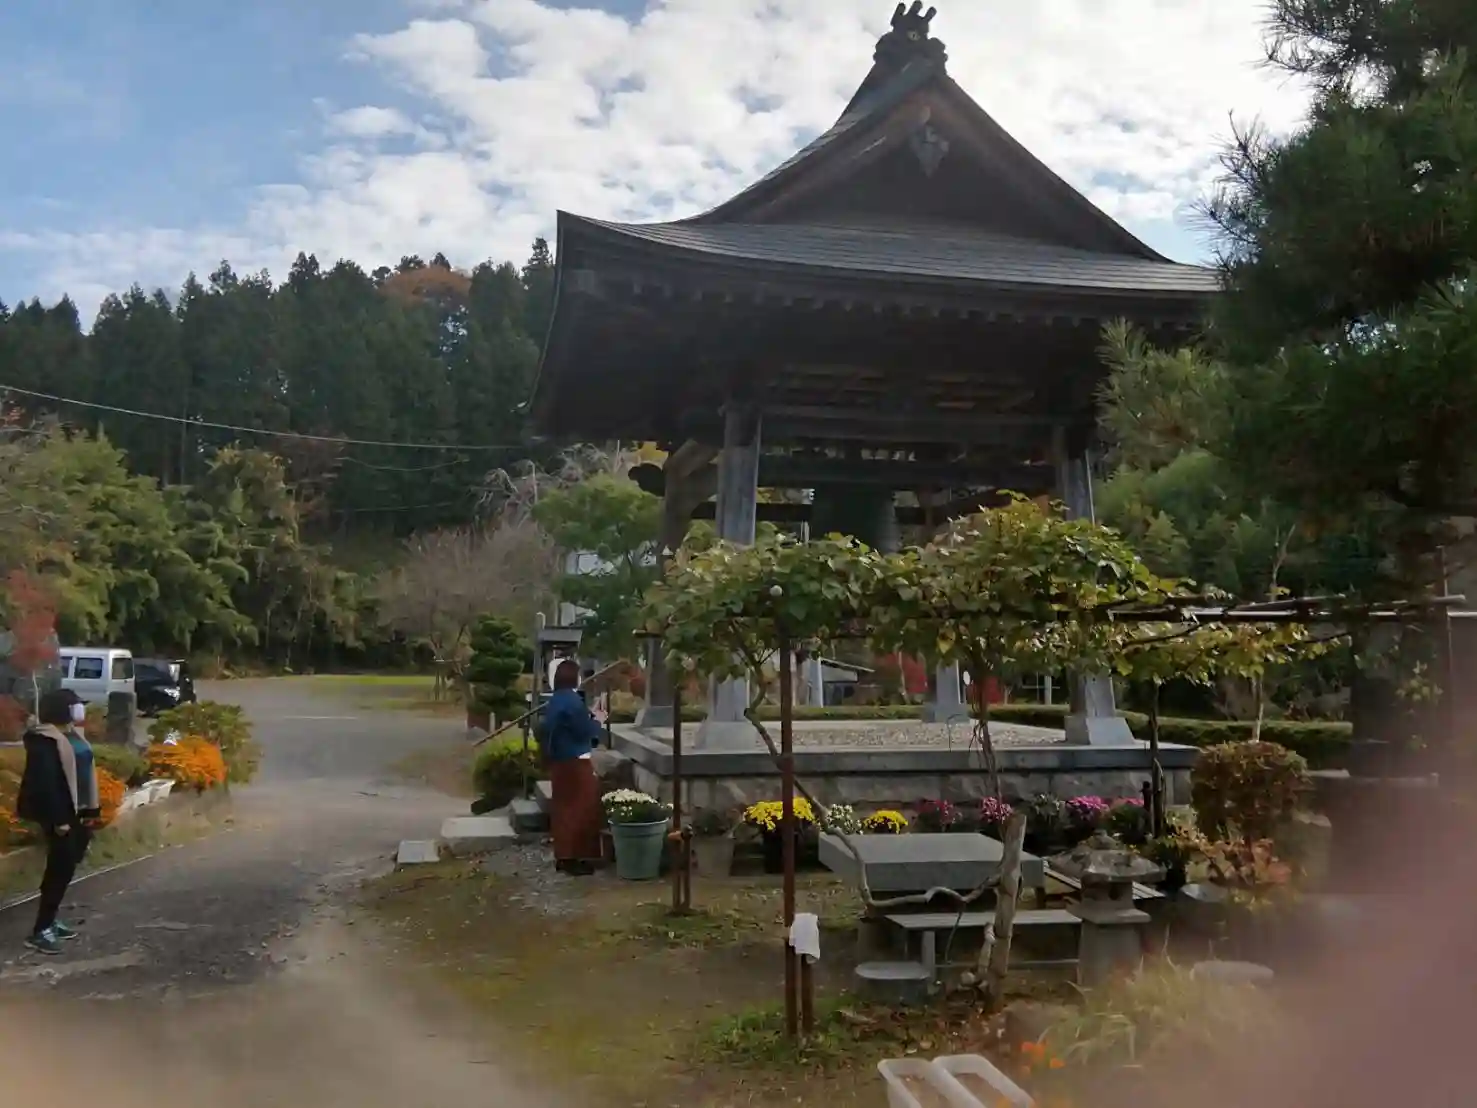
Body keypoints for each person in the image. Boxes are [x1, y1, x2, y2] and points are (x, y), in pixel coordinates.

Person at [16, 688, 99, 955]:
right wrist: (59, 820)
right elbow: (46, 785)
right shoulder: (44, 740)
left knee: (67, 865)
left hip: (76, 812)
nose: (80, 710)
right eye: (76, 706)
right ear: (63, 710)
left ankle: (50, 920)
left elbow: (84, 773)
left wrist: (90, 811)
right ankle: (41, 929)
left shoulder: (71, 735)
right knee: (59, 869)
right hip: (59, 814)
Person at [537, 659, 603, 876]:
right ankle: (575, 857)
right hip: (575, 760)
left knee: (563, 809)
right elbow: (583, 731)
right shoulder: (573, 701)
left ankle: (563, 855)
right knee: (582, 808)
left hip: (558, 760)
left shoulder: (556, 699)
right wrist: (598, 720)